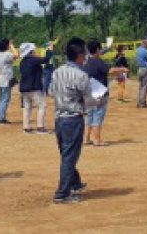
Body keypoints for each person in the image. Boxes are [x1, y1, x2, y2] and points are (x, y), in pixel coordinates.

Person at [49, 37, 100, 204]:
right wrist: (99, 100)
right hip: (73, 119)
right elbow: (89, 101)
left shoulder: (57, 72)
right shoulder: (81, 75)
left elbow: (50, 92)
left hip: (59, 118)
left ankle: (75, 182)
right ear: (79, 54)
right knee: (70, 156)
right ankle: (62, 193)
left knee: (66, 153)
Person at [83, 39, 129, 146]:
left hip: (89, 91)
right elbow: (110, 71)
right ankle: (97, 139)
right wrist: (122, 69)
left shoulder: (87, 62)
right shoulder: (98, 61)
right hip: (99, 92)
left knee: (89, 116)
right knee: (98, 116)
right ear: (98, 49)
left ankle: (86, 138)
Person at [18, 42, 54, 134]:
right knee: (42, 106)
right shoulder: (32, 59)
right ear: (30, 51)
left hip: (23, 87)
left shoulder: (23, 61)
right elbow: (45, 59)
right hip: (34, 87)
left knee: (27, 107)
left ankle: (26, 127)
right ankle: (40, 127)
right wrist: (50, 49)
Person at [0, 39, 20, 125]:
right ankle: (1, 118)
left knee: (1, 98)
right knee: (5, 99)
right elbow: (16, 55)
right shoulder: (6, 54)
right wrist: (12, 46)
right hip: (6, 79)